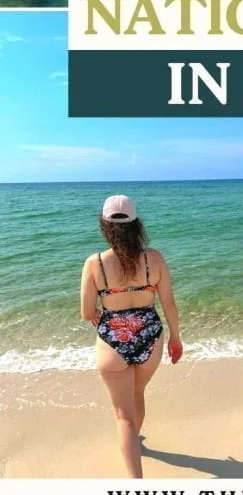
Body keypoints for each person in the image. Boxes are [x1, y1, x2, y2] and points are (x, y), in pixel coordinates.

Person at [80, 194, 183, 478]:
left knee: (122, 415)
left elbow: (86, 311)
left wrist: (110, 324)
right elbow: (169, 303)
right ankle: (133, 443)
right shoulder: (154, 258)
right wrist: (175, 338)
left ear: (104, 225)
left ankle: (136, 485)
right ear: (137, 223)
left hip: (112, 342)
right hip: (151, 337)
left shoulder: (95, 263)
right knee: (137, 394)